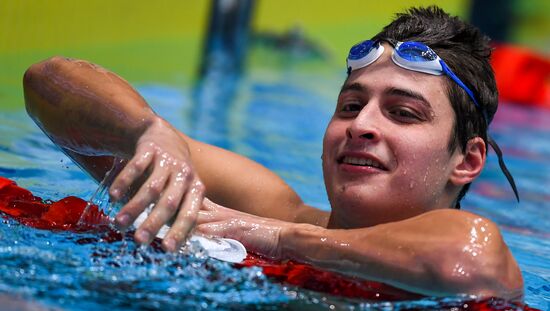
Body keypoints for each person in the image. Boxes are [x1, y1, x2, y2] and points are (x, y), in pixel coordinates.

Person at [23, 6, 523, 299]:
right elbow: (45, 82)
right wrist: (145, 133)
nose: (361, 126)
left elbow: (469, 260)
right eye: (351, 105)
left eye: (404, 113)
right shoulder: (268, 203)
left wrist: (278, 239)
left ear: (468, 161)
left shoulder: (270, 224)